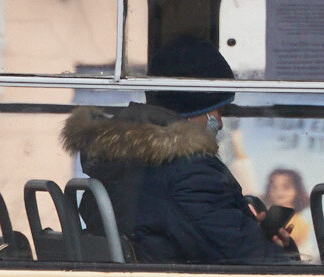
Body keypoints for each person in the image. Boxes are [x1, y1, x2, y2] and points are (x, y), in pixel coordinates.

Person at [61, 35, 296, 264]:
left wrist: (250, 230)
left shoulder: (117, 161)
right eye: (219, 112)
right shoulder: (191, 174)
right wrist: (283, 250)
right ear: (195, 108)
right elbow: (249, 258)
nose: (220, 123)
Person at [265, 167, 319, 263]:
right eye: (274, 187)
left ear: (297, 191)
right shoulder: (268, 216)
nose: (279, 192)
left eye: (286, 187)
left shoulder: (299, 222)